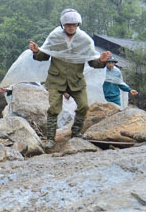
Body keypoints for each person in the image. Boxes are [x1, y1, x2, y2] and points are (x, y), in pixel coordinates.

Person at [29, 9, 111, 149]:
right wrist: (37, 52)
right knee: (54, 109)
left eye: (74, 24)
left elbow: (92, 62)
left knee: (84, 106)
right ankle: (50, 139)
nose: (71, 27)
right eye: (68, 24)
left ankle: (76, 133)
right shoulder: (55, 37)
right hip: (56, 80)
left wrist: (102, 61)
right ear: (62, 24)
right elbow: (45, 55)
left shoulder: (84, 40)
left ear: (78, 24)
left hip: (76, 81)